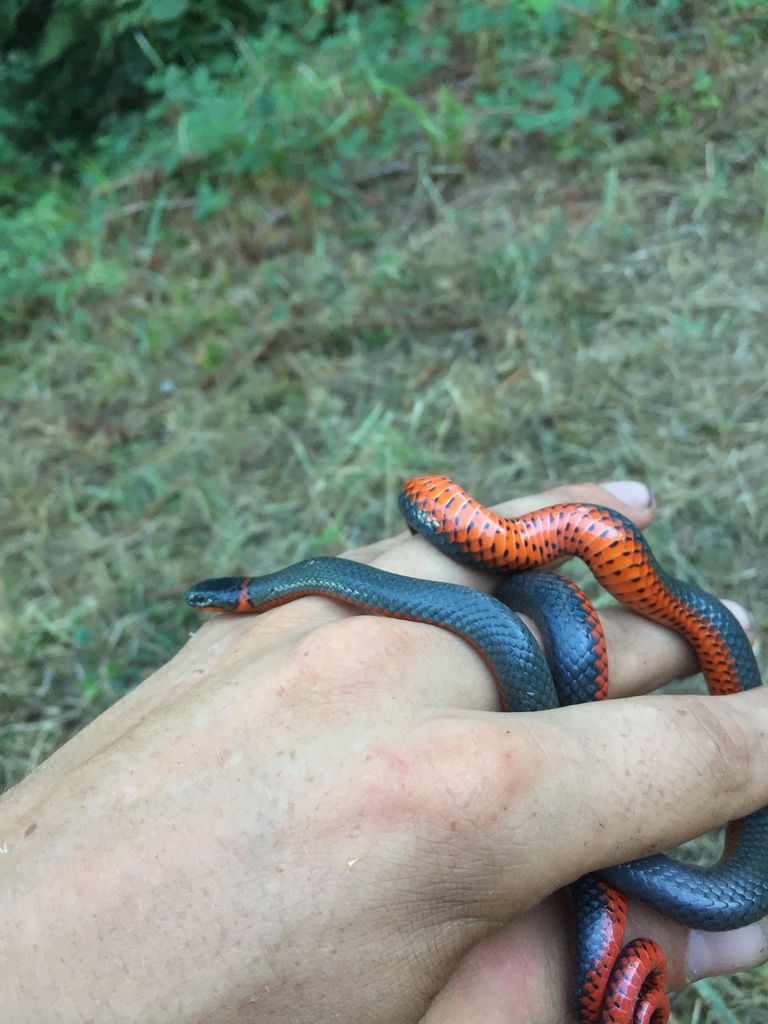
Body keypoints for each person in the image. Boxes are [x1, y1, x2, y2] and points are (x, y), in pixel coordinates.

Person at [2, 479, 767, 1024]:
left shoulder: (313, 581)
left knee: (550, 617)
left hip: (555, 607)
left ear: (240, 599)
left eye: (215, 604)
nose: (207, 610)